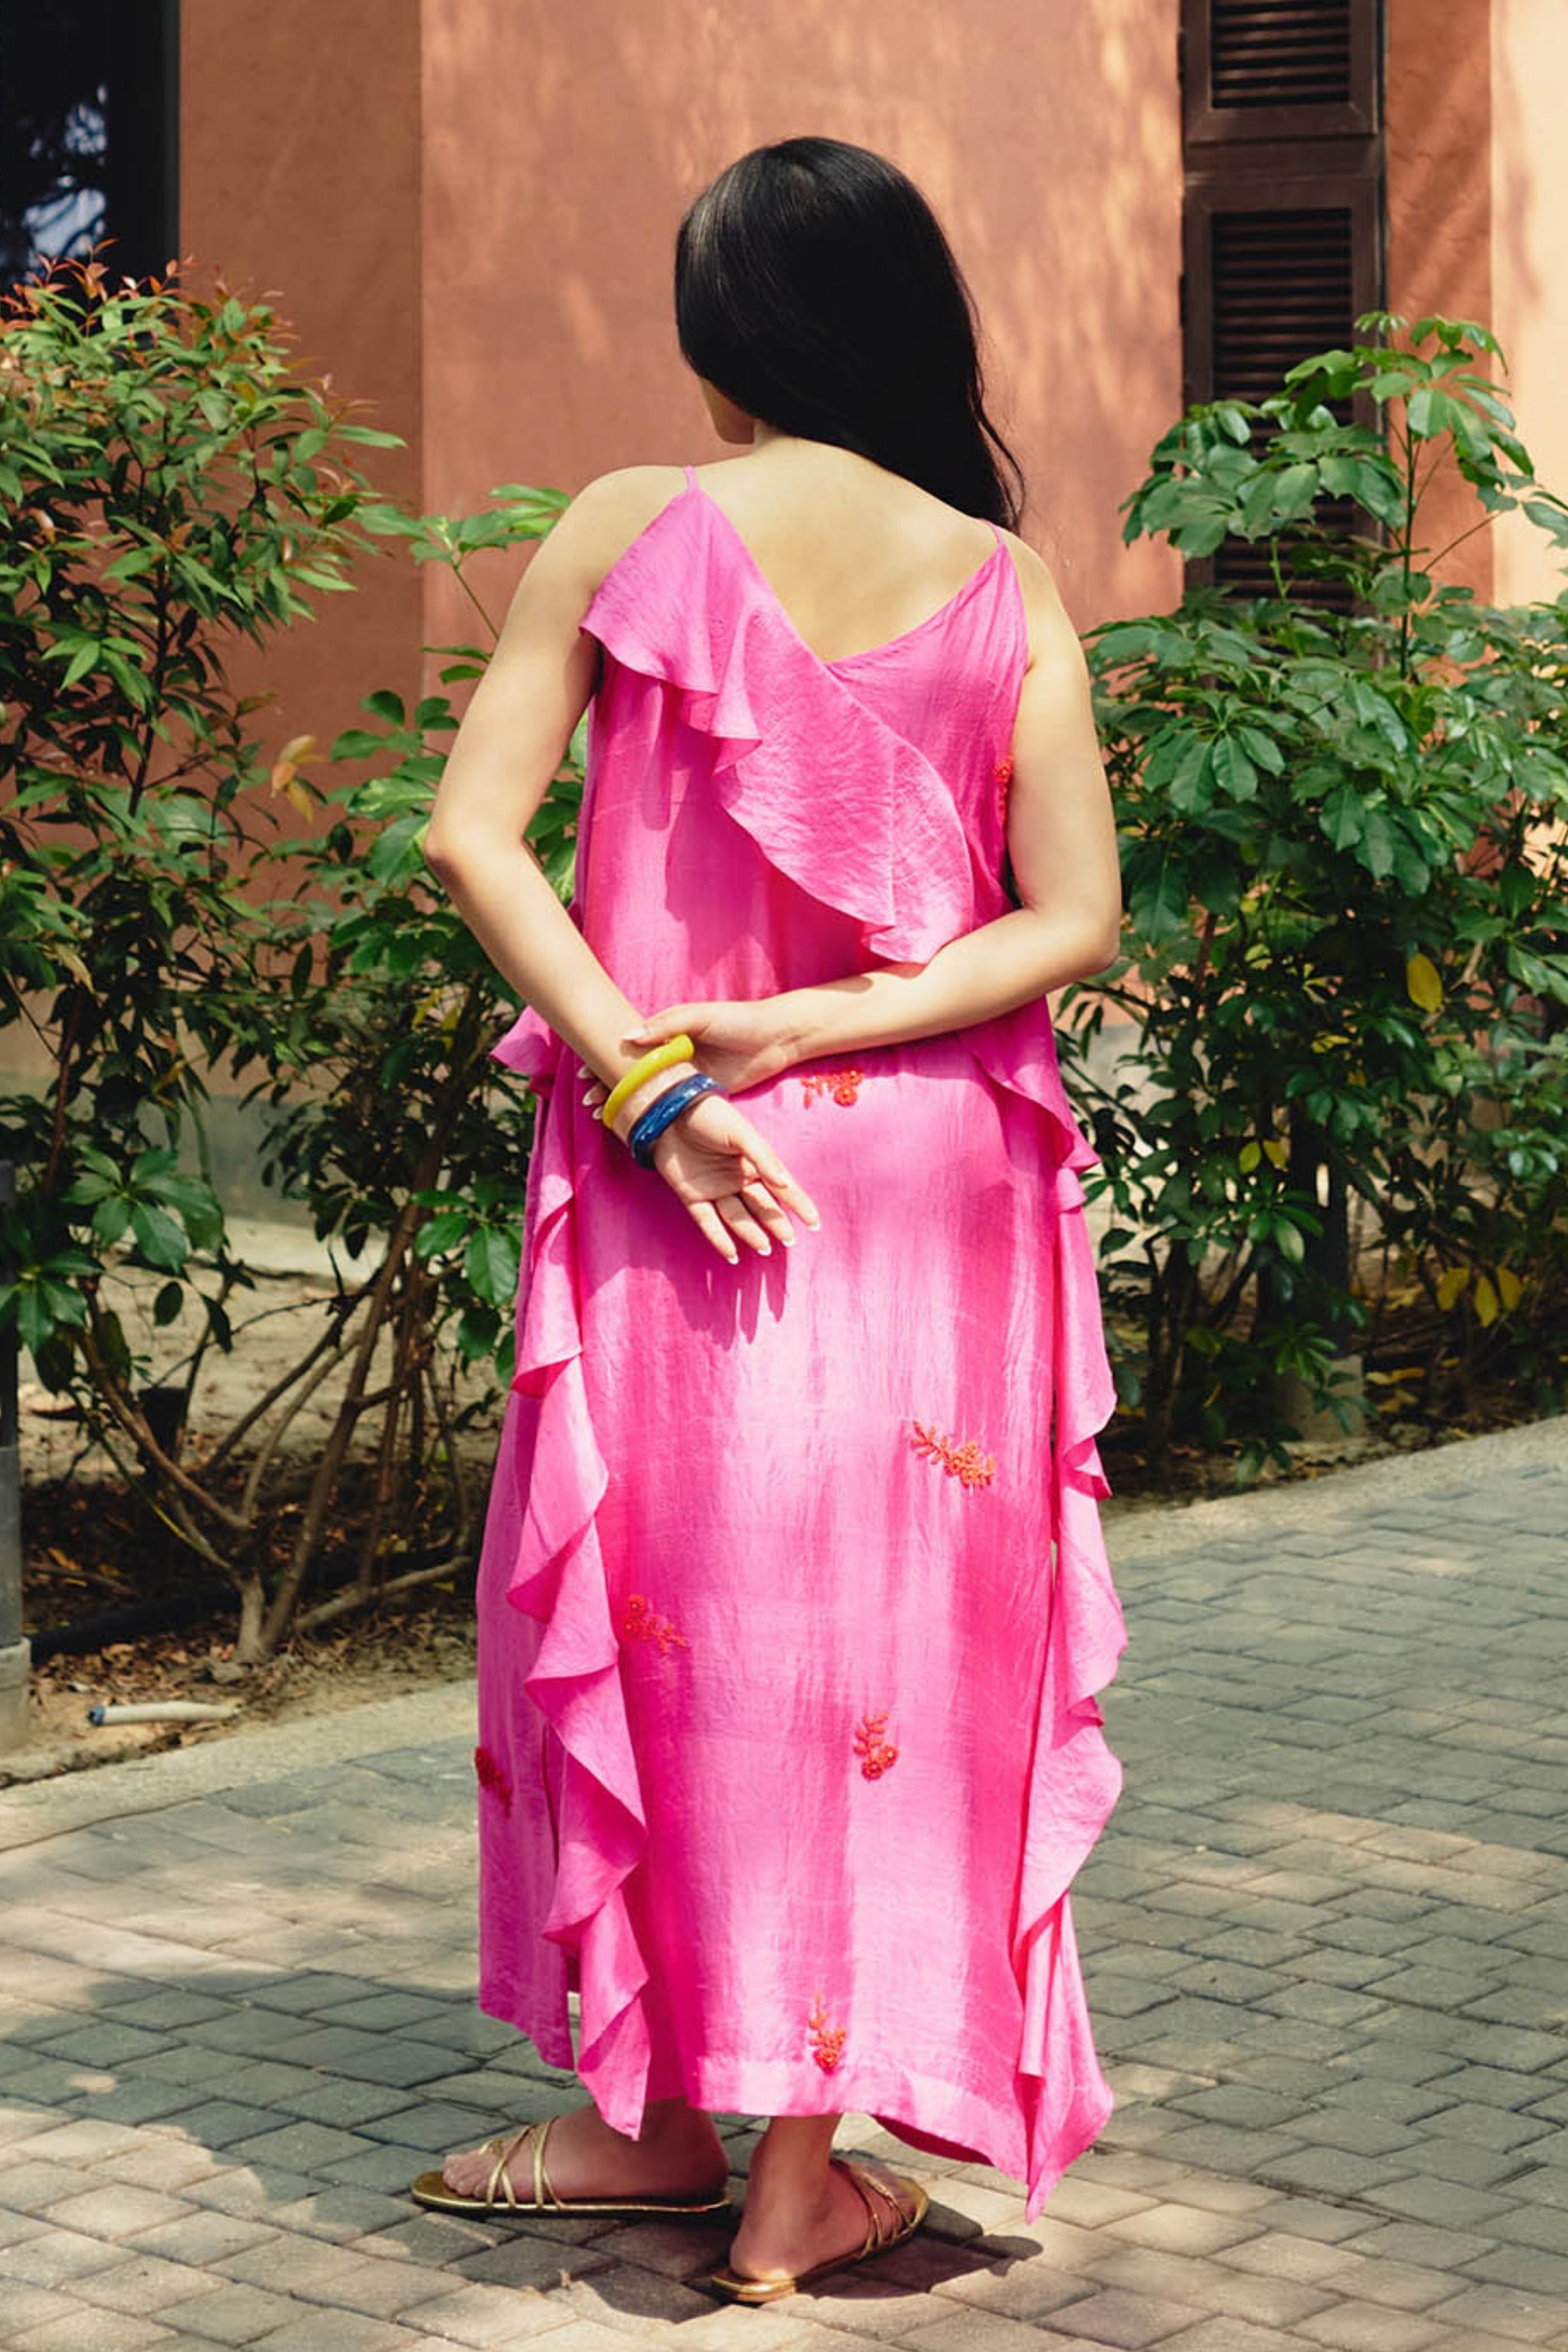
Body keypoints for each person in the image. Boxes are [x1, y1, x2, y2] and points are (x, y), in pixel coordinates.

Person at [413, 135, 1126, 2305]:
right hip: (930, 1192)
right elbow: (1075, 922)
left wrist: (652, 1079)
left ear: (729, 337)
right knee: (877, 1663)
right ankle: (796, 2176)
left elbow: (470, 838)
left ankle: (650, 2119)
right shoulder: (1002, 584)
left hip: (686, 1168)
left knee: (671, 1631)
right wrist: (838, 1012)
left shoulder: (636, 524)